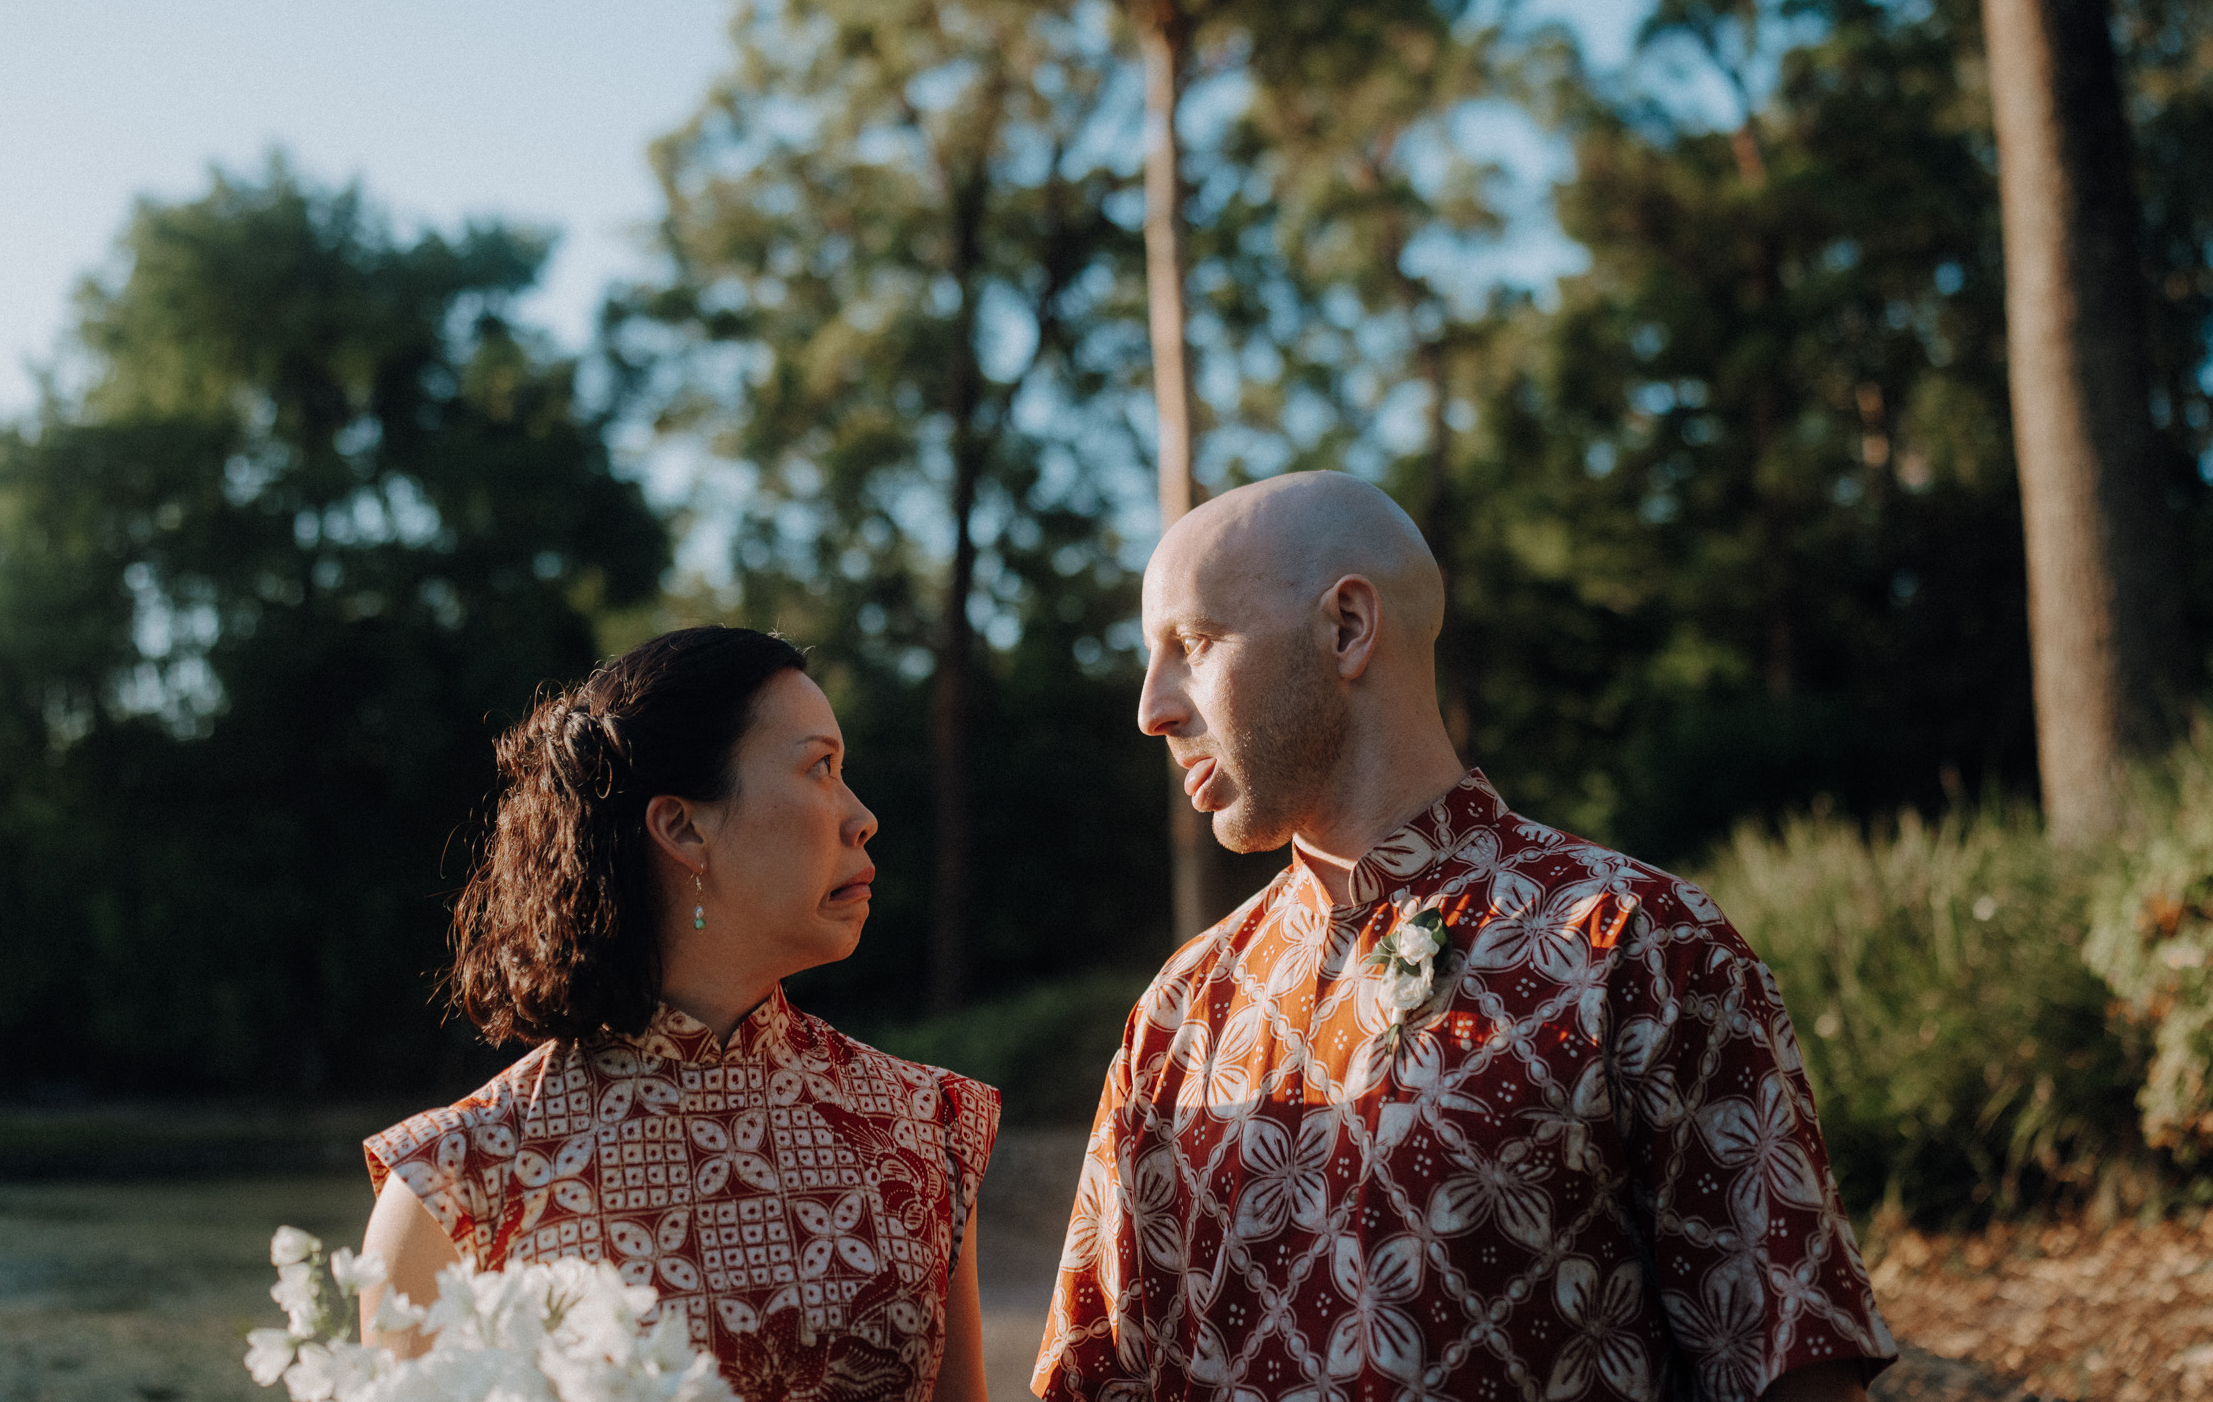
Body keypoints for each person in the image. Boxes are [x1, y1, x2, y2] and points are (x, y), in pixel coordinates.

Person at [1031, 473, 1895, 1402]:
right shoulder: (1176, 1014)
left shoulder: (1642, 949)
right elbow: (1097, 1377)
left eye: (1192, 645)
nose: (1151, 708)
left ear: (1347, 629)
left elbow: (1789, 1368)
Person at [360, 626, 998, 1402]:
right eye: (819, 768)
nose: (861, 816)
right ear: (683, 826)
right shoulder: (459, 1184)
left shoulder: (922, 1127)